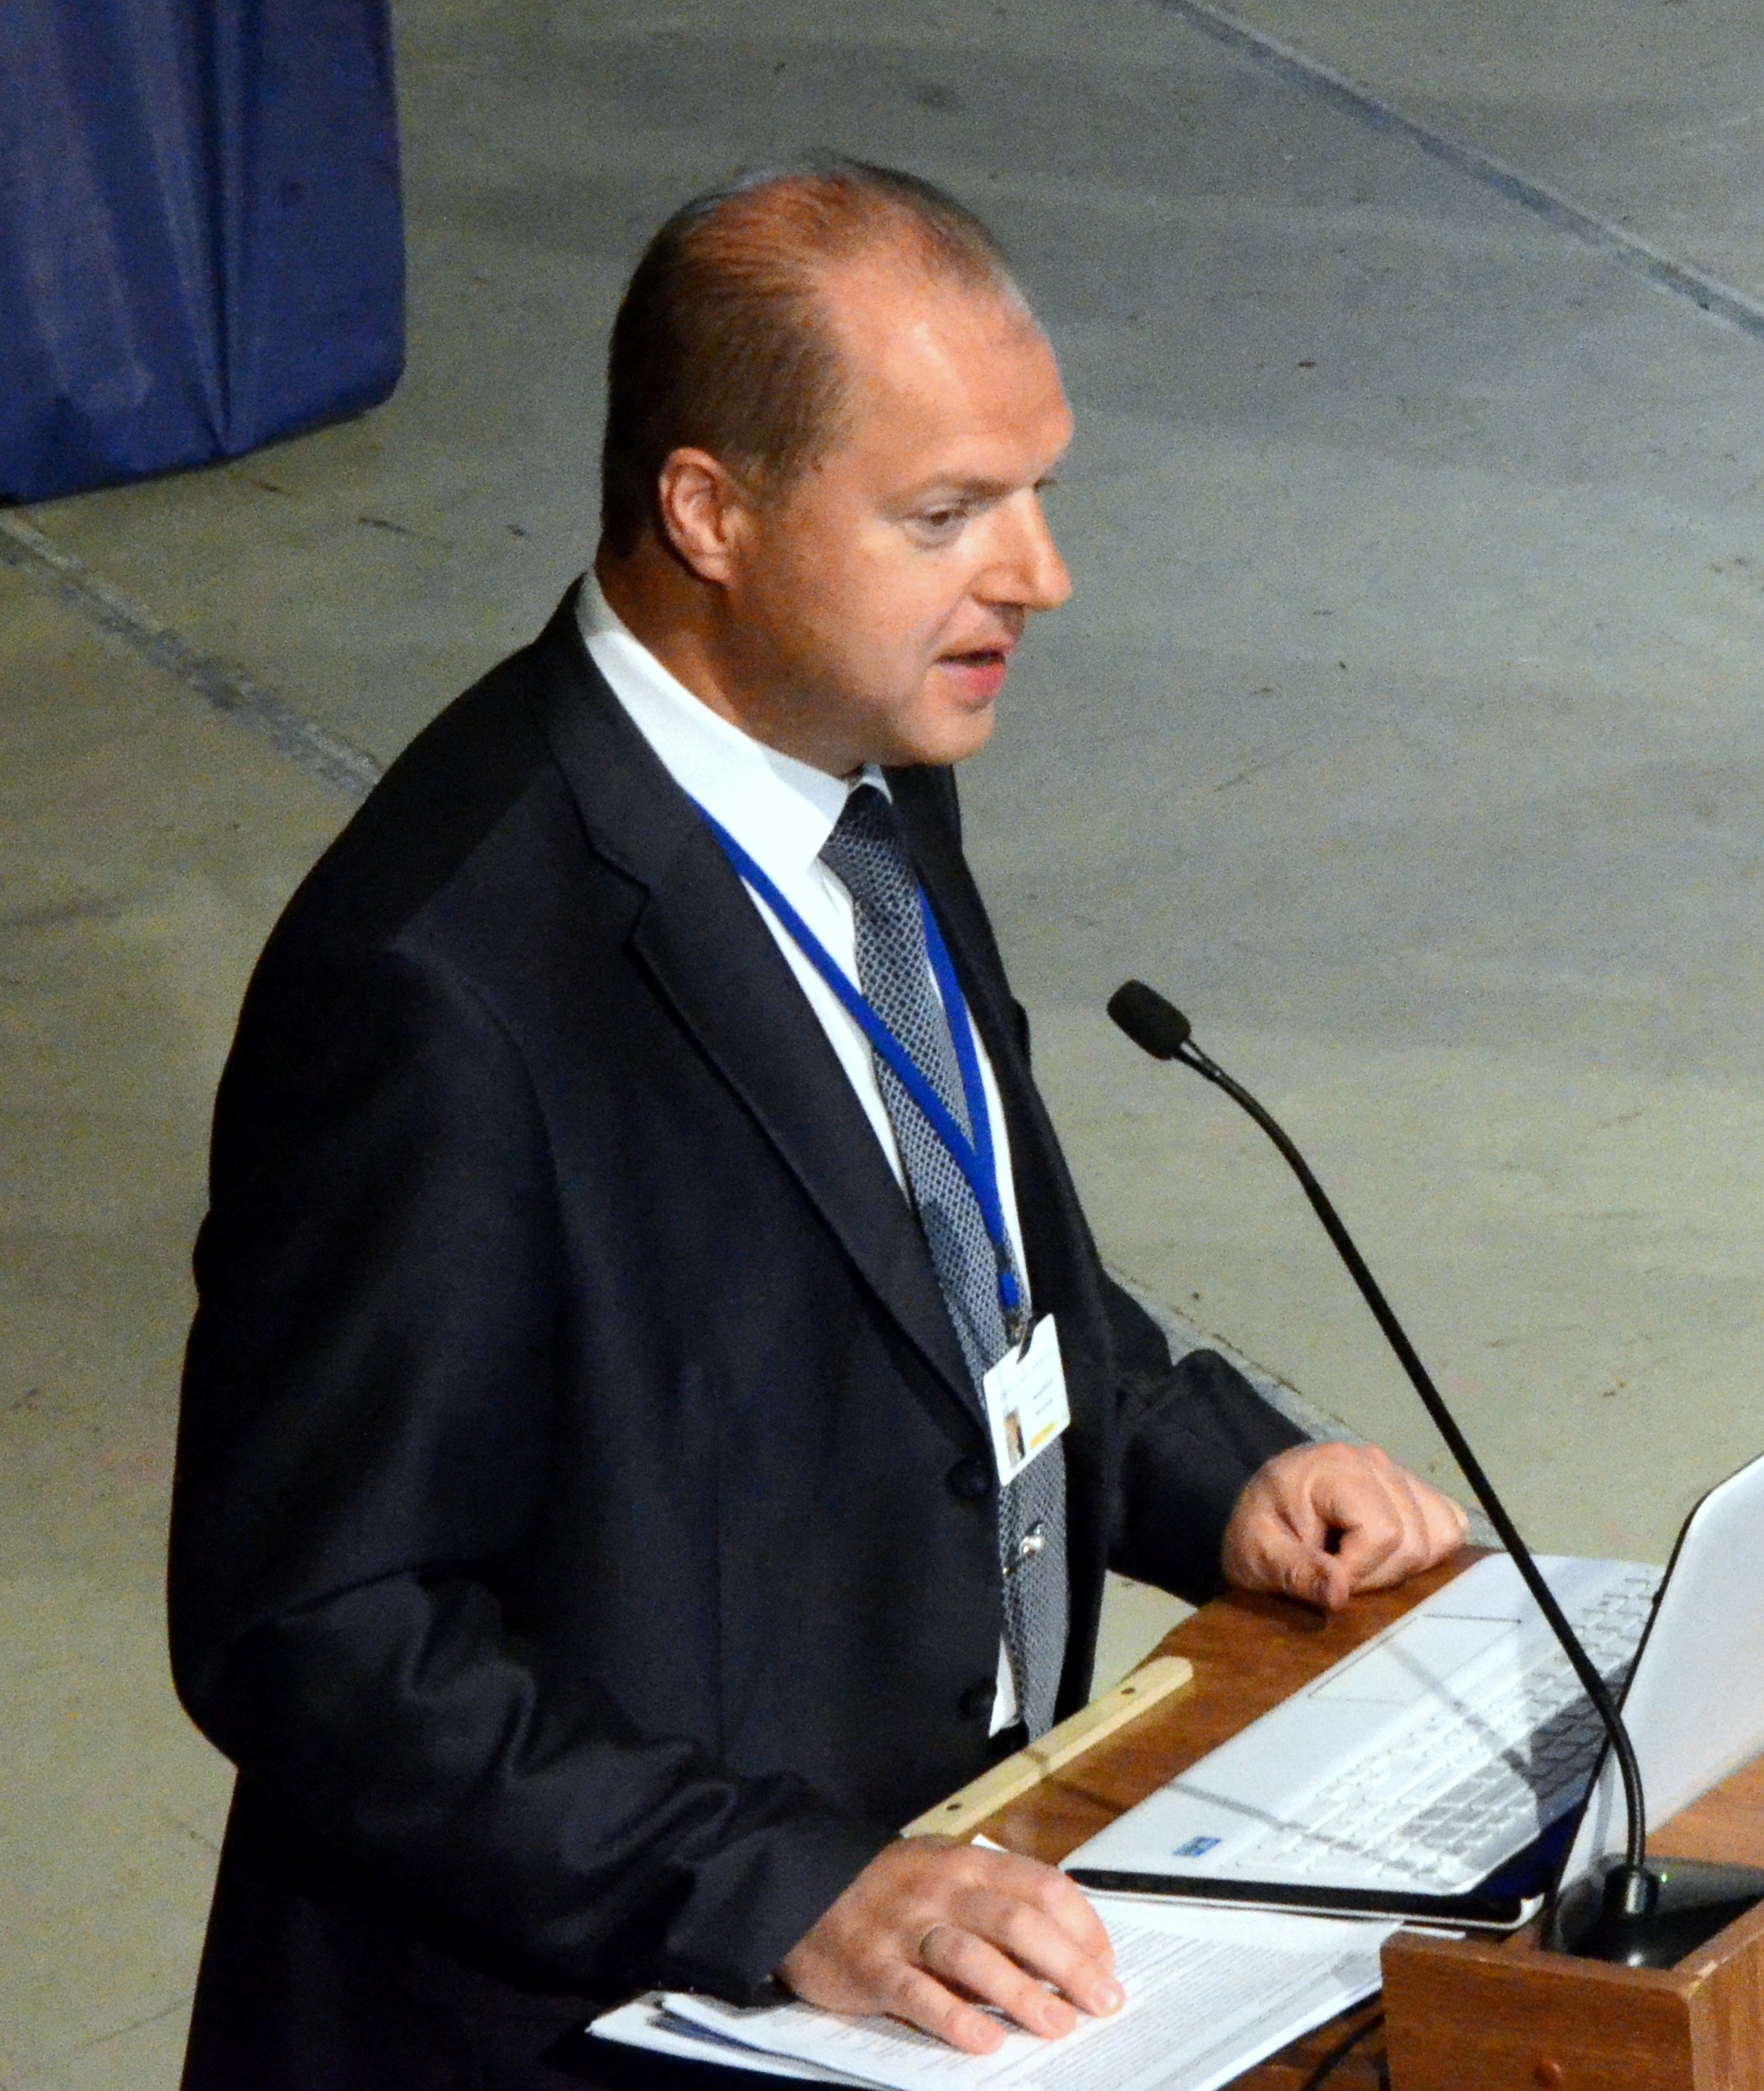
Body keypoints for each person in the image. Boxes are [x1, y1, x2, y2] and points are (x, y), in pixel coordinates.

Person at [167, 158, 1469, 2089]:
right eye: (946, 515)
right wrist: (790, 1885)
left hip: (949, 1937)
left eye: (1036, 492)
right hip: (598, 2025)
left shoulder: (862, 774)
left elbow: (945, 1257)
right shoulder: (438, 984)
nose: (1037, 574)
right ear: (709, 511)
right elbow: (318, 1630)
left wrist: (1219, 1474)